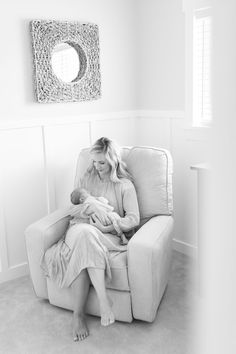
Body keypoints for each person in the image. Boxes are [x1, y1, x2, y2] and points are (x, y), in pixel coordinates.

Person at [41, 137, 140, 342]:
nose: (96, 167)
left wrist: (108, 225)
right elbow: (72, 208)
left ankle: (78, 316)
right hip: (79, 228)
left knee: (86, 238)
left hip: (106, 234)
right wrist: (90, 207)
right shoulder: (87, 180)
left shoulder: (125, 185)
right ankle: (105, 302)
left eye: (102, 162)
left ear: (113, 161)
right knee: (84, 234)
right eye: (94, 162)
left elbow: (133, 219)